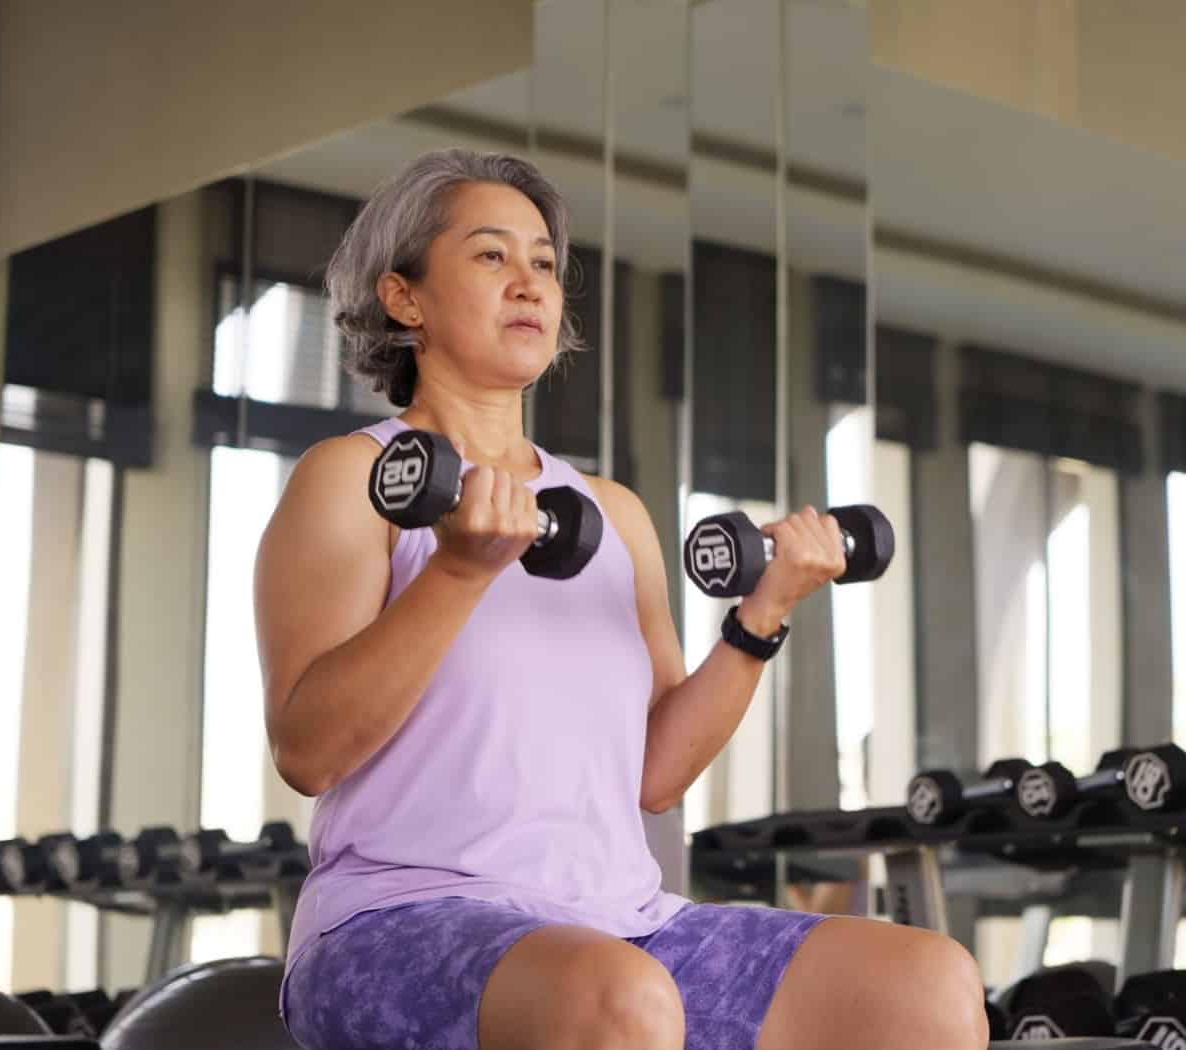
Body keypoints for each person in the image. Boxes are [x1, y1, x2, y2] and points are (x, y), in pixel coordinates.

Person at [254, 147, 984, 1050]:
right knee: (617, 997)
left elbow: (657, 776)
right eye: (491, 256)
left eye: (545, 264)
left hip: (620, 922)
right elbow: (307, 750)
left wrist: (763, 614)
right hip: (396, 923)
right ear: (404, 298)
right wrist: (458, 573)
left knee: (926, 987)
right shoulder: (350, 480)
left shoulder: (613, 515)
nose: (528, 282)